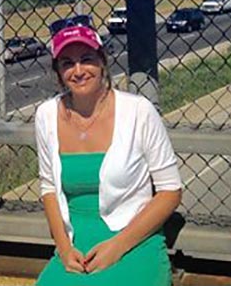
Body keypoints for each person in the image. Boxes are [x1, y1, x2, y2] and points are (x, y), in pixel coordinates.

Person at [34, 24, 182, 285]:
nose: (78, 71)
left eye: (86, 59)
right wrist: (64, 249)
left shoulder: (138, 111)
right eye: (67, 63)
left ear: (102, 61)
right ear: (58, 71)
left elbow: (170, 191)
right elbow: (48, 187)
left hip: (134, 238)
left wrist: (118, 246)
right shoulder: (46, 115)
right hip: (76, 244)